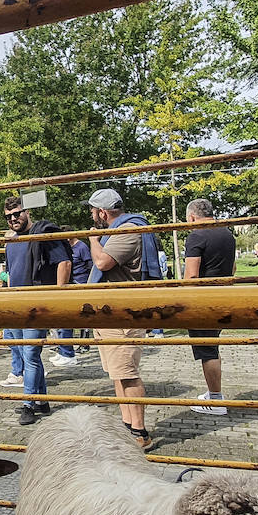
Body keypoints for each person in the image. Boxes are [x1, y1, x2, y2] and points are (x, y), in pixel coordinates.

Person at [84, 188, 156, 449]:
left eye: (93, 211)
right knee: (117, 373)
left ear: (103, 212)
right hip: (110, 313)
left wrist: (92, 239)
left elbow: (103, 263)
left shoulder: (127, 231)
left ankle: (140, 432)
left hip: (123, 316)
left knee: (127, 373)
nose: (92, 215)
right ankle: (127, 427)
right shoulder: (118, 232)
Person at [5, 195, 71, 426]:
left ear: (27, 213)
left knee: (31, 354)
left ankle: (29, 404)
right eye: (9, 216)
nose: (13, 219)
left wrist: (56, 296)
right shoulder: (12, 243)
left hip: (37, 303)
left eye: (17, 214)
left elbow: (64, 262)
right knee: (26, 354)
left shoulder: (43, 234)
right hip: (16, 305)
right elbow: (11, 274)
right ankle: (41, 401)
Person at [182, 198, 235, 415]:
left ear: (193, 216)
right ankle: (214, 394)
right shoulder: (227, 233)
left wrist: (183, 300)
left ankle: (215, 400)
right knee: (212, 345)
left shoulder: (196, 236)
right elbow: (232, 268)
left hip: (202, 300)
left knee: (207, 349)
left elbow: (191, 275)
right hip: (222, 296)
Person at [48, 226, 93, 367]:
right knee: (64, 318)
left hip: (79, 284)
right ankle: (64, 350)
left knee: (71, 319)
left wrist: (88, 284)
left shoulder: (81, 247)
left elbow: (90, 265)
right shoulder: (67, 247)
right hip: (70, 284)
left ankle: (71, 351)